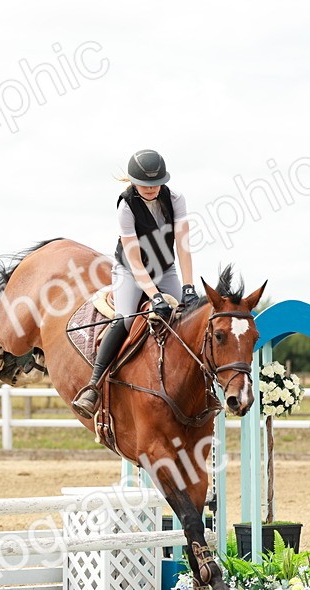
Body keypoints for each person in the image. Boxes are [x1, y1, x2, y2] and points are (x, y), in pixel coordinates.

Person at [72, 149, 198, 419]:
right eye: (144, 184)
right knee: (126, 318)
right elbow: (135, 260)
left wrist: (188, 286)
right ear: (132, 182)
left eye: (156, 183)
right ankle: (93, 386)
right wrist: (154, 296)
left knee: (187, 317)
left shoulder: (176, 199)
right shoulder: (126, 207)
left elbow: (183, 245)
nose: (151, 189)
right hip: (130, 270)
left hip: (165, 268)